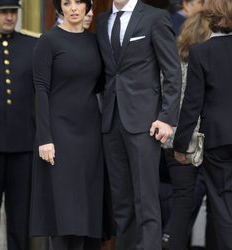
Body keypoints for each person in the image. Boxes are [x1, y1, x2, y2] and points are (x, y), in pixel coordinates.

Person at [96, 0, 182, 249]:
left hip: (145, 123)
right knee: (122, 204)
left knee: (146, 202)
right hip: (111, 122)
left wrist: (167, 118)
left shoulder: (155, 18)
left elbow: (172, 71)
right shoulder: (102, 21)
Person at [29, 0, 104, 249]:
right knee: (62, 210)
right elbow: (40, 90)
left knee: (87, 208)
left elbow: (102, 85)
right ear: (60, 7)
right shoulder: (48, 41)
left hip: (91, 134)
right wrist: (44, 138)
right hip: (59, 135)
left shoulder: (94, 42)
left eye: (79, 2)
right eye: (66, 3)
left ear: (87, 6)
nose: (73, 8)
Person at [174, 0, 232, 249]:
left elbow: (191, 105)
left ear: (210, 16)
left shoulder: (201, 52)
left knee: (221, 206)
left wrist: (180, 145)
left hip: (218, 141)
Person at [0, 0, 37, 249]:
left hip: (23, 144)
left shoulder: (32, 45)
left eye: (13, 12)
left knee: (21, 216)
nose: (9, 17)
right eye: (3, 12)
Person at [162, 11, 211, 250]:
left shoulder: (171, 62)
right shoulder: (208, 62)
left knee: (181, 200)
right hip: (202, 141)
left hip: (171, 140)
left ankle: (171, 240)